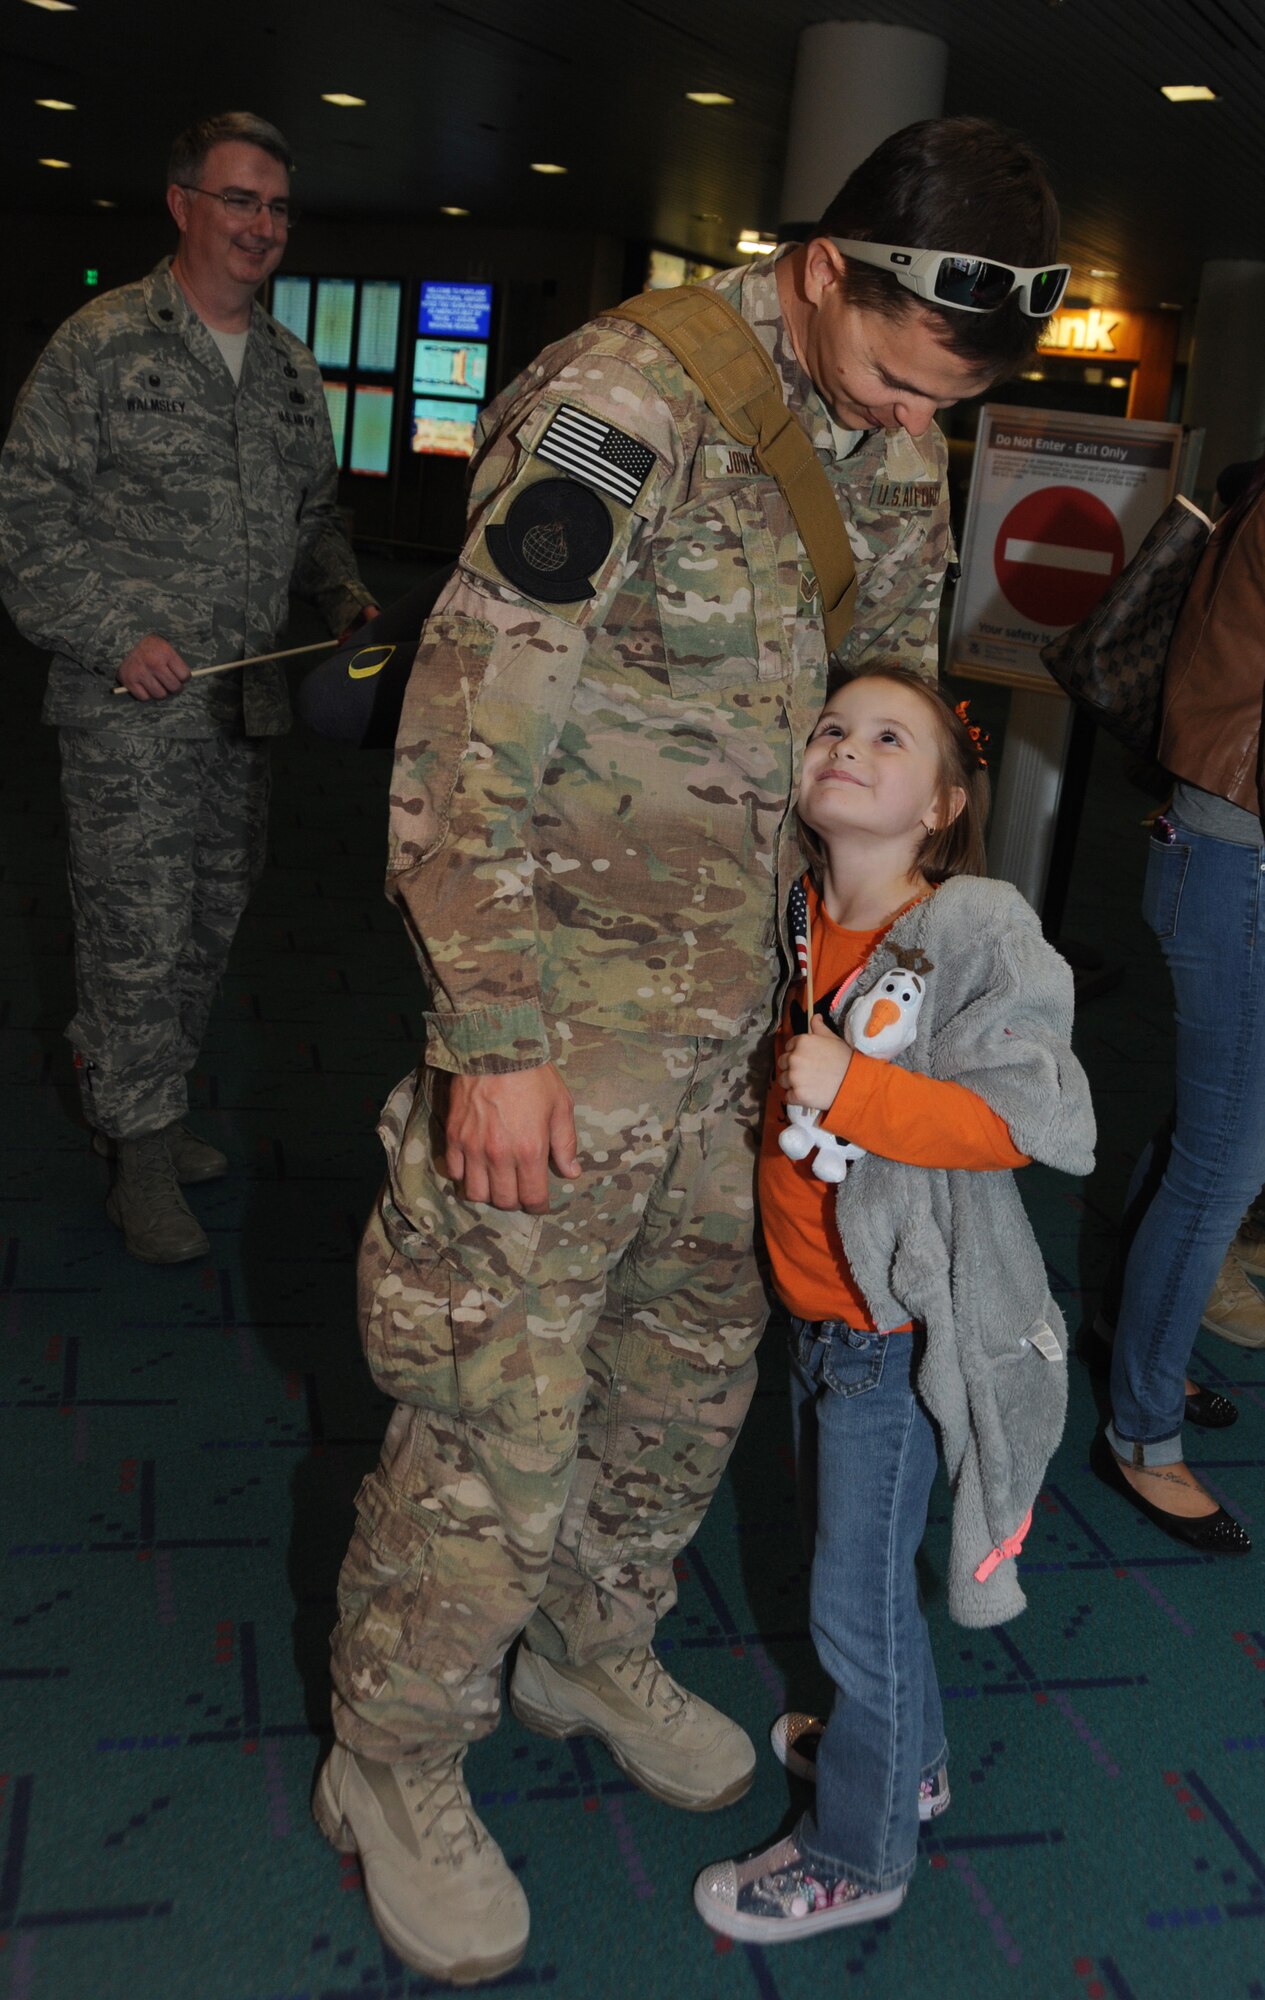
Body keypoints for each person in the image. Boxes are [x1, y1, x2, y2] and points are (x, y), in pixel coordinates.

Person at [316, 117, 1063, 1985]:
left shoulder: (896, 432)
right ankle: (391, 1756)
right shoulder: (627, 398)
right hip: (563, 1034)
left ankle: (592, 1641)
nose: (912, 425)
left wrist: (883, 997)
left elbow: (883, 714)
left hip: (764, 1038)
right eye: (895, 377)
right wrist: (490, 1036)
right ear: (823, 268)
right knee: (498, 1404)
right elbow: (467, 716)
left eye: (939, 403)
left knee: (683, 1380)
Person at [693, 668, 1094, 1944]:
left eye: (887, 736)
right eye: (828, 727)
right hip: (820, 1324)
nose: (844, 746)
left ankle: (859, 1853)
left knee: (847, 1607)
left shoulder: (971, 927)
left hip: (893, 1338)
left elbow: (1030, 1122)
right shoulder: (799, 912)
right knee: (858, 1580)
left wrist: (852, 1090)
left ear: (942, 803)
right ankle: (905, 1757)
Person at [0, 110, 376, 1264]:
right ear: (182, 205)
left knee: (210, 923)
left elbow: (315, 517)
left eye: (275, 206)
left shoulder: (288, 368)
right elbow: (28, 518)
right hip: (133, 715)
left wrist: (347, 594)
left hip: (243, 710)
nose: (261, 226)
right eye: (238, 200)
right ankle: (143, 1156)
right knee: (135, 933)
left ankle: (147, 1117)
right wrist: (119, 634)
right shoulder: (102, 344)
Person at [1088, 458, 1265, 1551]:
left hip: (1219, 854)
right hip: (1237, 866)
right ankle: (1139, 1434)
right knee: (1220, 1163)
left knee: (1206, 1130)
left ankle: (1123, 1328)